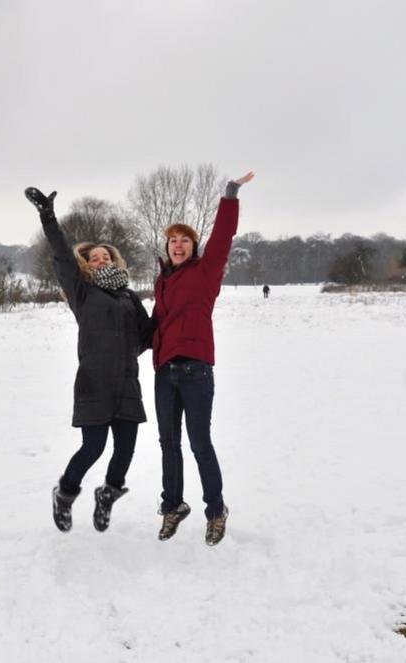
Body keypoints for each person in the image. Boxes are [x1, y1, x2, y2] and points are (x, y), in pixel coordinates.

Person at [25, 186, 154, 533]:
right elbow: (63, 256)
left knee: (125, 451)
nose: (100, 260)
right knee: (93, 448)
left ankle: (108, 494)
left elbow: (148, 335)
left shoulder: (129, 297)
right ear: (87, 264)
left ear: (114, 261)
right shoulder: (82, 293)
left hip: (126, 383)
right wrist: (48, 217)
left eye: (105, 257)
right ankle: (65, 494)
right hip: (94, 383)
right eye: (94, 258)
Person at [152, 171, 255, 546]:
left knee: (199, 443)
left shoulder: (206, 271)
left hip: (196, 370)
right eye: (172, 241)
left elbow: (223, 237)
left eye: (184, 241)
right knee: (167, 444)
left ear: (194, 246)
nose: (178, 246)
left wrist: (230, 195)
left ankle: (215, 510)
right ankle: (173, 507)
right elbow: (156, 326)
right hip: (165, 373)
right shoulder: (162, 280)